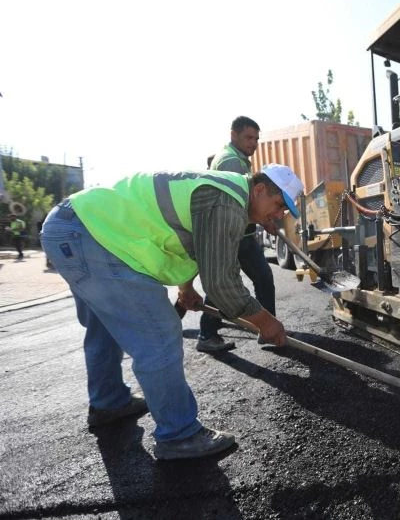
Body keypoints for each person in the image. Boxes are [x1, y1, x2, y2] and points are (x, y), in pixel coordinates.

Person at [40, 165, 303, 460]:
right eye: (279, 205)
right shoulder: (226, 200)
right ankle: (180, 436)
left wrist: (185, 288)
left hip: (71, 227)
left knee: (105, 325)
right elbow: (222, 285)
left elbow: (187, 244)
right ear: (258, 189)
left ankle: (109, 401)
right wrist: (264, 321)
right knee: (160, 331)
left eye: (285, 211)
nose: (280, 215)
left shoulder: (223, 192)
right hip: (94, 237)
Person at [198, 116, 279, 353]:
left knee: (229, 281)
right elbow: (240, 204)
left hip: (241, 232)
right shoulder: (231, 162)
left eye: (256, 138)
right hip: (234, 234)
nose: (253, 143)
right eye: (248, 137)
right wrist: (263, 219)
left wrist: (265, 220)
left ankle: (266, 329)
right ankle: (267, 329)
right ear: (234, 135)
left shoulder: (237, 159)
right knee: (227, 282)